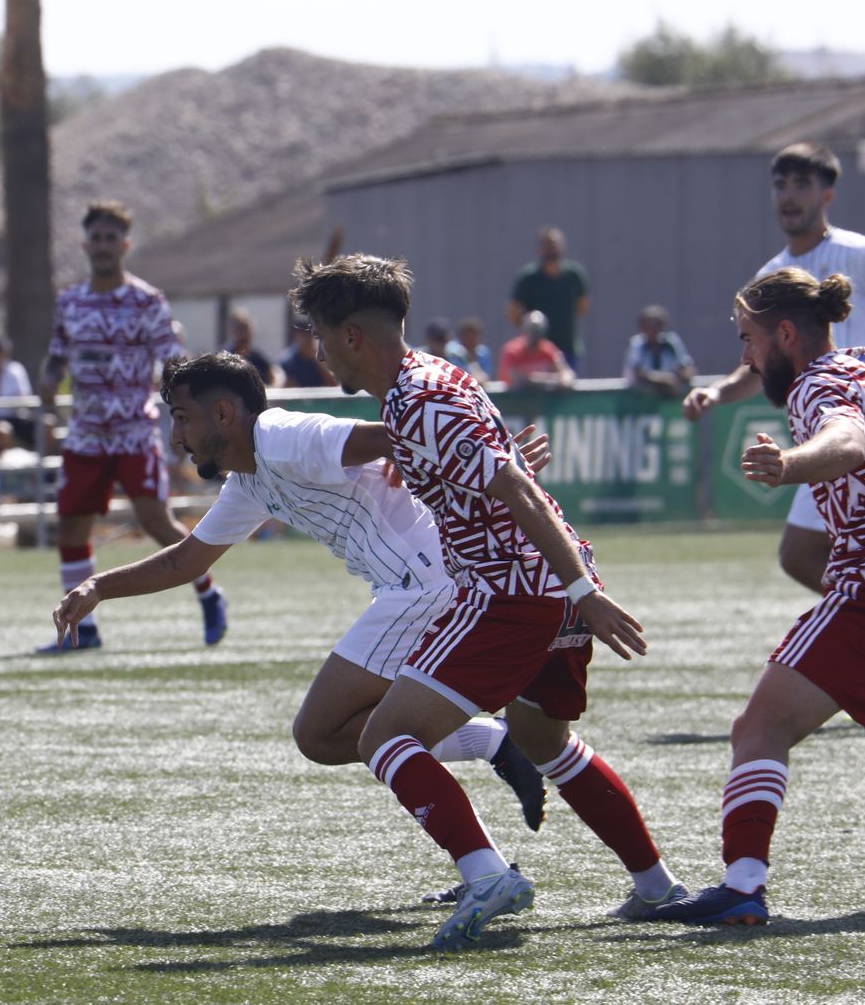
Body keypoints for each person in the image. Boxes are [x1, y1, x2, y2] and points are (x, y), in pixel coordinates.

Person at [291, 253, 681, 950]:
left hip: (513, 595)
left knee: (385, 735)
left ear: (353, 336)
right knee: (543, 741)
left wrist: (583, 593)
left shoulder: (418, 398)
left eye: (322, 338)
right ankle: (656, 887)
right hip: (546, 587)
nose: (318, 354)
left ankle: (487, 875)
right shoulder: (431, 382)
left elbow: (516, 491)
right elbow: (498, 475)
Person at [53, 351, 551, 838]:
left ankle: (485, 851)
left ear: (223, 413)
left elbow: (403, 434)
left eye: (182, 418)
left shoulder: (282, 436)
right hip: (417, 587)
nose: (175, 436)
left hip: (425, 586)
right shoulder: (249, 480)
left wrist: (496, 460)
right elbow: (187, 559)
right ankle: (492, 793)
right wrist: (99, 586)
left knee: (324, 732)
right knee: (359, 734)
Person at [647, 268, 865, 925]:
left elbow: (847, 439)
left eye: (749, 339)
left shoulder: (818, 382)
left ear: (786, 333)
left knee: (760, 728)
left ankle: (743, 887)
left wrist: (788, 464)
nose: (746, 356)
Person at [683, 142, 865, 594]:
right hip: (823, 435)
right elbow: (760, 364)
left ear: (827, 194)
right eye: (780, 185)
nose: (789, 195)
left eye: (802, 184)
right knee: (805, 556)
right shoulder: (772, 275)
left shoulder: (862, 255)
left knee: (820, 554)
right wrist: (717, 393)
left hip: (864, 433)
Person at [37, 200, 227, 654]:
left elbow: (173, 360)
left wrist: (187, 416)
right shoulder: (70, 301)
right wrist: (46, 382)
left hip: (132, 432)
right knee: (71, 528)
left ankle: (208, 592)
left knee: (155, 522)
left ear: (124, 245)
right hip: (84, 433)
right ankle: (84, 630)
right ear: (85, 245)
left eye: (110, 238)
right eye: (95, 238)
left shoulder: (146, 301)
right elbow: (56, 358)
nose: (102, 246)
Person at [509, 227, 590, 372]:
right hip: (536, 353)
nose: (551, 251)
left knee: (566, 387)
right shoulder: (529, 278)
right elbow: (513, 311)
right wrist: (529, 330)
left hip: (567, 347)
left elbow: (582, 306)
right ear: (540, 249)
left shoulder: (573, 275)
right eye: (547, 246)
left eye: (554, 245)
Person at [624, 306, 694, 397]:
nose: (653, 330)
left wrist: (681, 378)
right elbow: (637, 373)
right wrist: (663, 380)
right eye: (648, 326)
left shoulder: (671, 342)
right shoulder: (637, 344)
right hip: (640, 398)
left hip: (670, 398)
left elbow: (686, 367)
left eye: (657, 325)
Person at [498, 311, 575, 391]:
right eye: (532, 331)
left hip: (543, 401)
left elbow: (566, 375)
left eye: (538, 331)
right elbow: (517, 379)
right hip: (514, 401)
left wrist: (540, 379)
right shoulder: (512, 351)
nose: (535, 336)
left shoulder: (548, 350)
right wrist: (551, 379)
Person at [277, 318, 336, 389]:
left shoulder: (323, 355)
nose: (305, 339)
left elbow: (334, 384)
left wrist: (319, 361)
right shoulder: (288, 360)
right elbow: (286, 387)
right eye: (302, 335)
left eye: (308, 335)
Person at [224, 308, 276, 386]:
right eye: (239, 329)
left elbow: (274, 376)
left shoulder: (257, 358)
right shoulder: (224, 358)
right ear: (232, 330)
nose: (243, 334)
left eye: (245, 329)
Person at [456, 317, 493, 383]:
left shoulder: (484, 352)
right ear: (461, 336)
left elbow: (487, 374)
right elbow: (459, 376)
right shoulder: (454, 352)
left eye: (474, 337)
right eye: (468, 337)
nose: (472, 341)